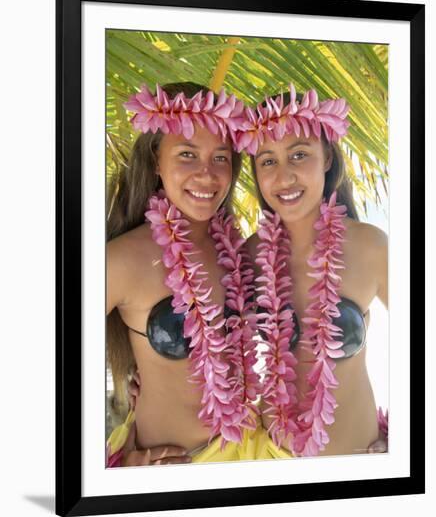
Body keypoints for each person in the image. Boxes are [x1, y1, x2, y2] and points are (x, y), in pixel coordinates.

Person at [106, 81, 290, 467]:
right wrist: (101, 468)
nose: (207, 175)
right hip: (171, 474)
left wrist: (388, 440)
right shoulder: (122, 260)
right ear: (157, 160)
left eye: (220, 158)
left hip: (251, 456)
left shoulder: (246, 253)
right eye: (188, 154)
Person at [234, 84, 388, 457]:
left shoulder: (370, 247)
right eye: (267, 160)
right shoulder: (249, 256)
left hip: (357, 465)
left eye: (299, 155)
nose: (283, 176)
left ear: (328, 159)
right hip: (269, 462)